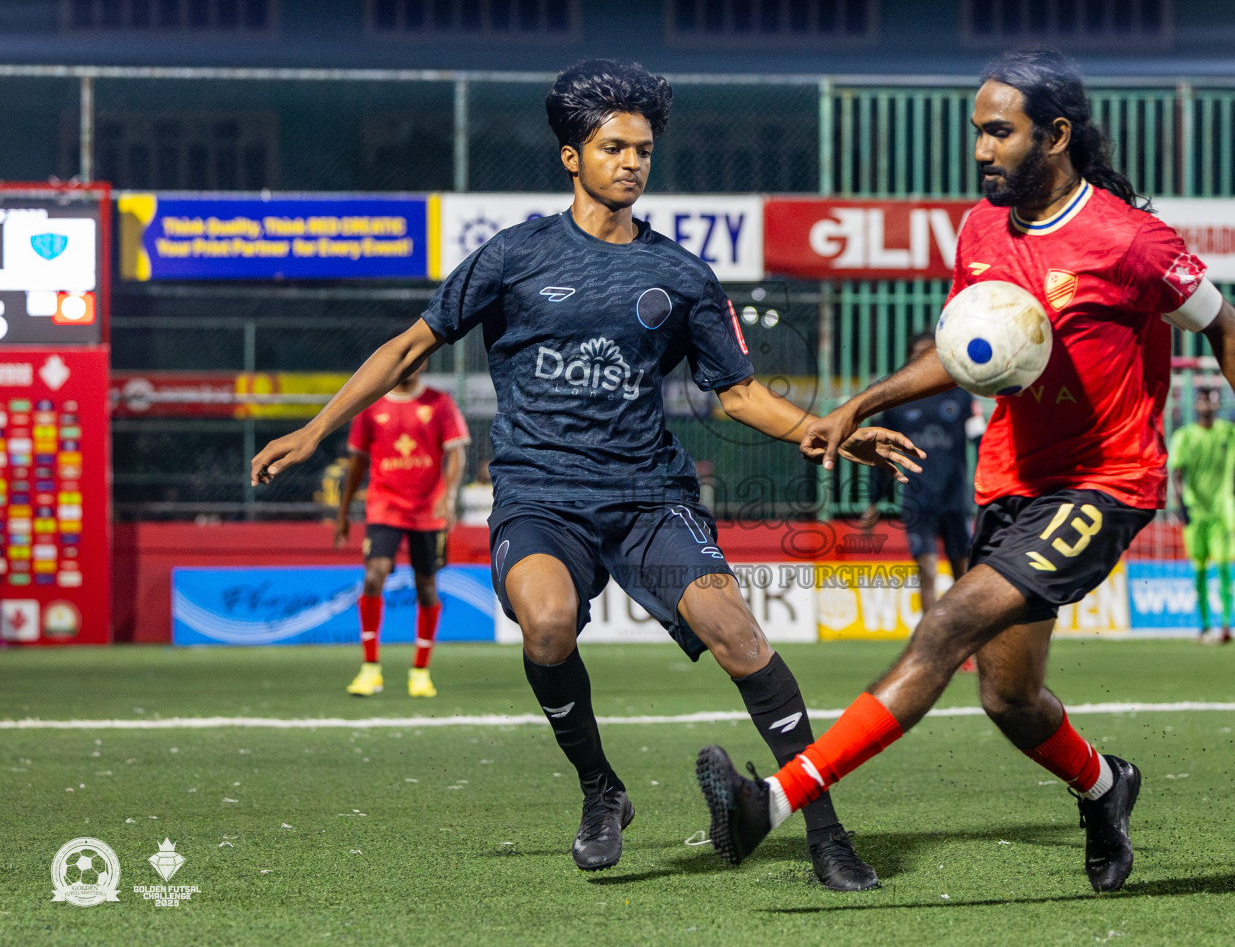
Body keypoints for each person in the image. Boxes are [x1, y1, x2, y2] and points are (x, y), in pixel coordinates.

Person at [250, 60, 920, 888]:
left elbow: (740, 394)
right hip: (539, 495)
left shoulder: (681, 275)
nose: (632, 162)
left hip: (648, 497)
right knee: (547, 624)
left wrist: (827, 431)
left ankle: (826, 833)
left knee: (740, 636)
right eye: (613, 148)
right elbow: (409, 346)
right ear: (572, 157)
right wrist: (318, 427)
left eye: (643, 150)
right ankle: (602, 789)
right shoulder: (514, 255)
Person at [694, 47, 1235, 894]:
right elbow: (965, 353)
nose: (981, 149)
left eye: (999, 132)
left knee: (945, 626)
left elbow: (1227, 332)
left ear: (1055, 135)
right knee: (1009, 699)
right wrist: (863, 403)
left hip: (1105, 483)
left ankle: (770, 800)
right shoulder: (980, 230)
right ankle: (1105, 785)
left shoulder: (1132, 241)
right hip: (1010, 484)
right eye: (977, 131)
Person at [334, 371, 468, 698]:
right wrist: (343, 512)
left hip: (428, 509)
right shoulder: (371, 405)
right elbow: (357, 463)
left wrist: (449, 497)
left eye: (417, 359)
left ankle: (420, 671)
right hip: (385, 506)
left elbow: (457, 454)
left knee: (426, 587)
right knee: (373, 576)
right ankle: (370, 669)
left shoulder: (439, 403)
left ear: (423, 363)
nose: (410, 365)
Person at [860, 331, 981, 618]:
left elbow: (982, 443)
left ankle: (965, 636)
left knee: (962, 572)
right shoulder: (896, 402)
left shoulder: (961, 395)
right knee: (926, 571)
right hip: (918, 500)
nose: (924, 360)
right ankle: (932, 638)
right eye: (918, 355)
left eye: (930, 354)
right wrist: (873, 501)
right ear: (910, 360)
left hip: (955, 498)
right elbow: (883, 453)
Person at [1168, 386, 1235, 644]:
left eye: (1211, 401)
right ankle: (1204, 626)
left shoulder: (1233, 433)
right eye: (1202, 400)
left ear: (1218, 405)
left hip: (1224, 512)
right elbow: (1177, 475)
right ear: (1196, 405)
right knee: (1200, 571)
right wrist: (1181, 506)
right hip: (1196, 513)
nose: (1207, 405)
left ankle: (1226, 625)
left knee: (1225, 567)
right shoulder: (1184, 437)